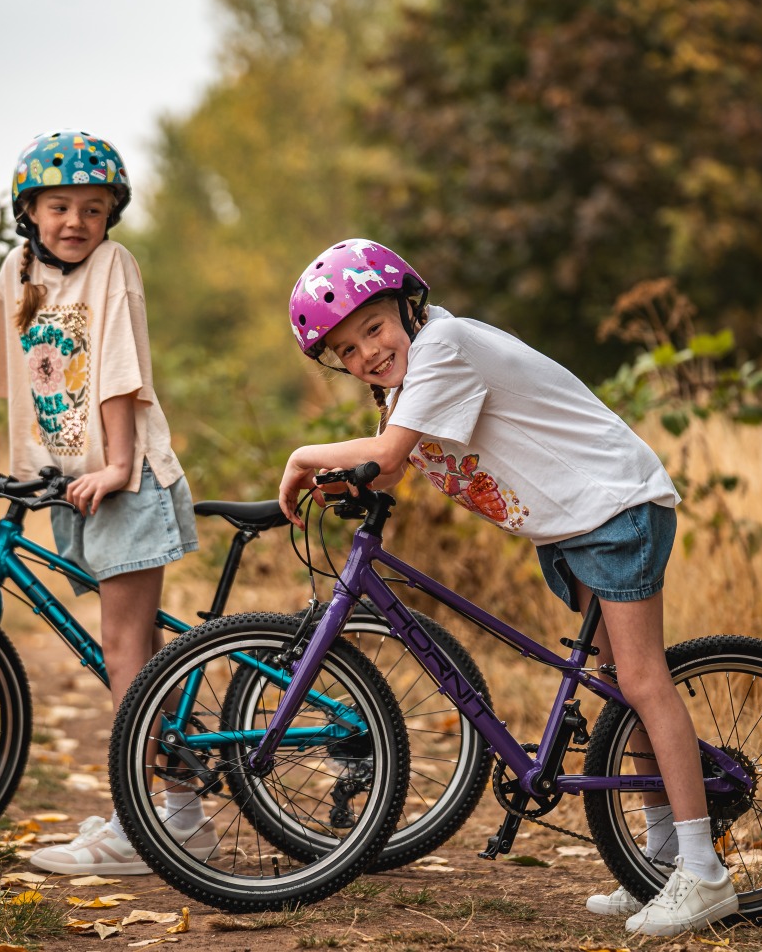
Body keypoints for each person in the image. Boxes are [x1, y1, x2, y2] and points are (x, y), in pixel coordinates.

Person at [276, 239, 738, 936]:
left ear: (407, 305)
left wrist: (302, 458)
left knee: (642, 680)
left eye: (373, 328)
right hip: (579, 524)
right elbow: (390, 468)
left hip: (614, 507)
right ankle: (662, 859)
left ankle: (703, 873)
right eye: (346, 350)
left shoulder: (444, 346)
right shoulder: (407, 380)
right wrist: (338, 481)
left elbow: (389, 455)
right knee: (618, 686)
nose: (367, 352)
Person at [0, 130, 211, 875]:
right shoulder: (17, 272)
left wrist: (116, 465)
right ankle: (181, 819)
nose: (75, 221)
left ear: (112, 215)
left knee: (124, 652)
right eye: (58, 206)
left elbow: (118, 367)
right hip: (68, 485)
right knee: (135, 654)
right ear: (30, 213)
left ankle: (139, 828)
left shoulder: (113, 266)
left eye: (92, 207)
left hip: (125, 480)